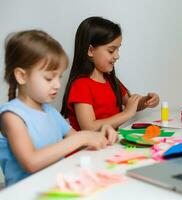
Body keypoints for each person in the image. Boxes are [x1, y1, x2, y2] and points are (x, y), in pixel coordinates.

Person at [0, 30, 118, 186]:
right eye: (49, 78)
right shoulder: (12, 116)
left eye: (59, 77)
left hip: (55, 188)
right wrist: (81, 138)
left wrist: (100, 132)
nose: (57, 85)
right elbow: (31, 162)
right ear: (22, 76)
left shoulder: (50, 112)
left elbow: (79, 139)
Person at [61, 16, 160, 131]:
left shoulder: (111, 80)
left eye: (118, 49)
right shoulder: (81, 86)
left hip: (110, 146)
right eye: (111, 50)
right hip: (88, 148)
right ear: (91, 51)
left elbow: (131, 104)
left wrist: (146, 101)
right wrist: (126, 114)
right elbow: (89, 127)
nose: (117, 56)